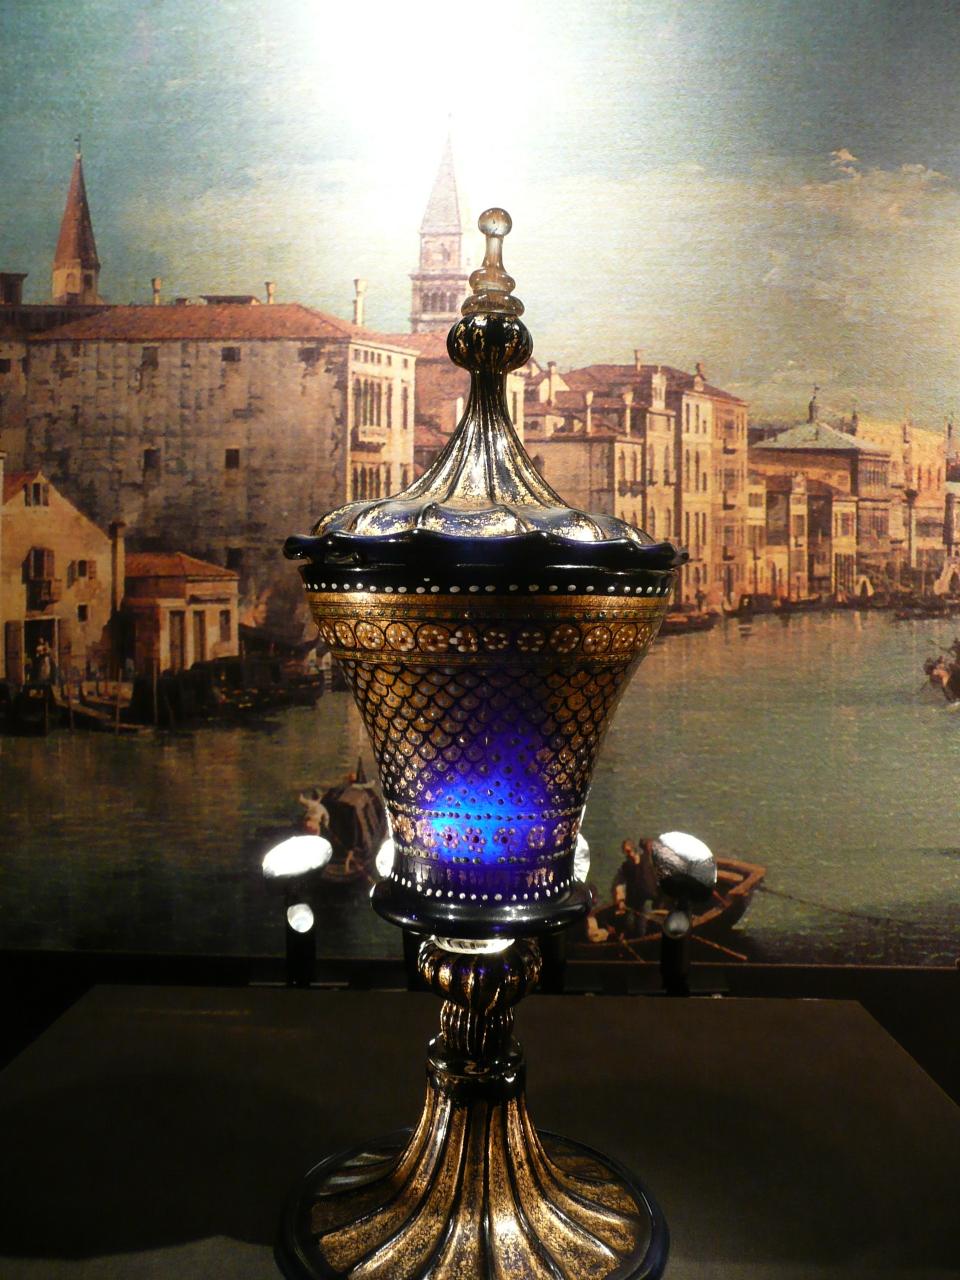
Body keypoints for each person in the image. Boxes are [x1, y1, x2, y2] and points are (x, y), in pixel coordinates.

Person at [612, 838, 659, 935]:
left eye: (628, 851)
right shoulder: (626, 866)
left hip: (646, 899)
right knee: (629, 924)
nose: (627, 854)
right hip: (632, 900)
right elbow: (619, 882)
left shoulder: (646, 860)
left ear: (634, 849)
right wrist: (620, 900)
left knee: (642, 926)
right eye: (625, 852)